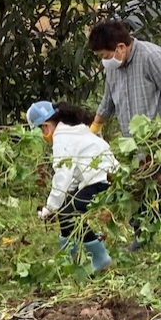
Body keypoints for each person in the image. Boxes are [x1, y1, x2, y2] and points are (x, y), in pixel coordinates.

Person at [88, 20, 161, 253]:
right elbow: (108, 101)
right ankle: (141, 235)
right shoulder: (113, 67)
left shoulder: (152, 57)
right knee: (136, 193)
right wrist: (94, 127)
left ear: (121, 47)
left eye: (105, 54)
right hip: (132, 144)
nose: (104, 60)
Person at [27, 101, 119, 272]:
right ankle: (71, 259)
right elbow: (74, 174)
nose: (43, 135)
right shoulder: (74, 129)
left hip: (102, 180)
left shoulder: (62, 138)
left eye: (41, 129)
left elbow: (63, 175)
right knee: (66, 209)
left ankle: (100, 258)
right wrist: (63, 200)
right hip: (105, 177)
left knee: (70, 214)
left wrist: (50, 207)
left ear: (47, 125)